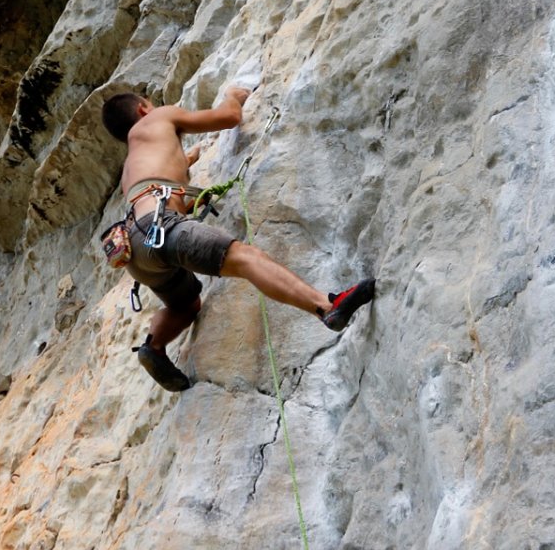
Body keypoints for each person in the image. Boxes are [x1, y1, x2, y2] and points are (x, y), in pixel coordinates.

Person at [101, 87, 375, 391]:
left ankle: (154, 346)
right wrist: (234, 96)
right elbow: (229, 117)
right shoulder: (158, 118)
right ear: (142, 109)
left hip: (135, 250)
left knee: (186, 305)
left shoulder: (132, 165)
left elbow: (164, 188)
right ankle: (325, 306)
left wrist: (189, 166)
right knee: (246, 258)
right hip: (162, 227)